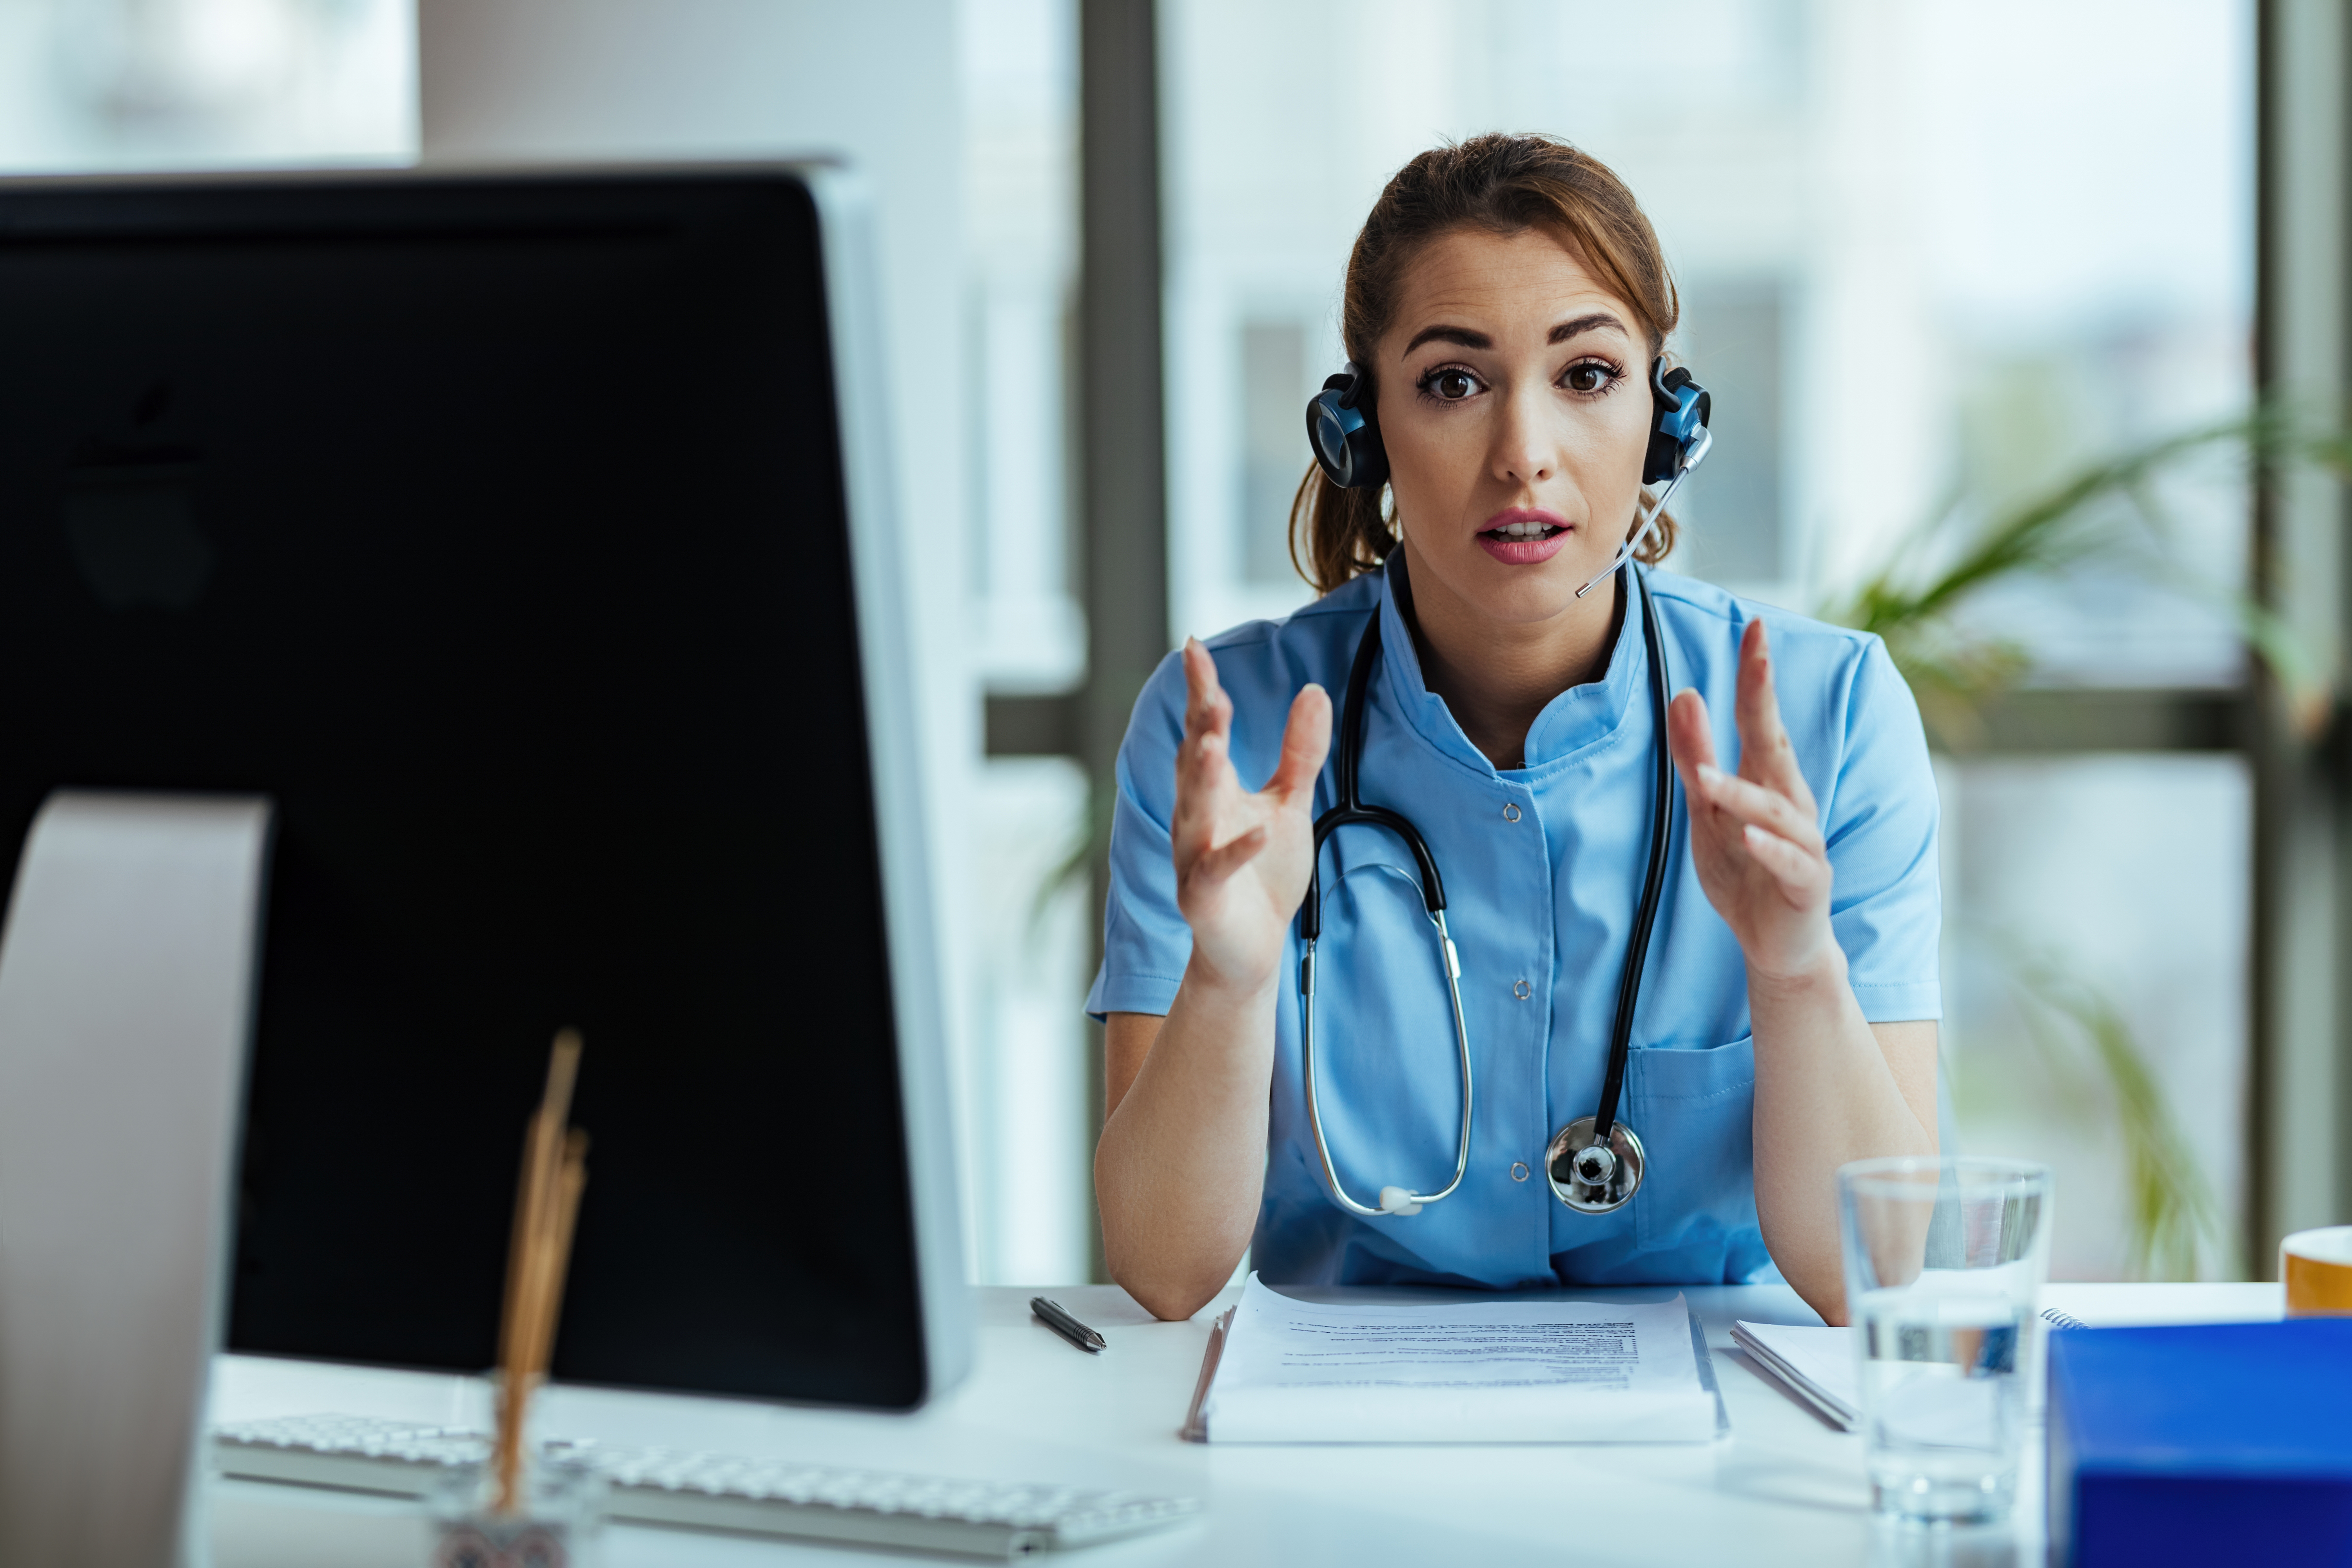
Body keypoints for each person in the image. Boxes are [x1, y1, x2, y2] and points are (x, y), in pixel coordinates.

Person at [1088, 133, 1939, 1326]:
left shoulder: (1830, 718)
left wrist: (1796, 971)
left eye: (1586, 375)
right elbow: (1165, 1272)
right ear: (1362, 429)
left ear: (1667, 418)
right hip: (1338, 1434)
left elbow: (1875, 1273)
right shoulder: (1224, 734)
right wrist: (1230, 980)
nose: (1523, 455)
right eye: (1452, 382)